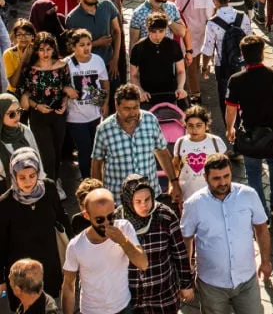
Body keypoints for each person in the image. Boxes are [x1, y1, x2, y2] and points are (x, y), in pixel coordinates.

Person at [180, 153, 272, 314]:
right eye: (216, 178)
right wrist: (186, 271)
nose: (223, 182)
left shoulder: (248, 195)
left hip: (246, 280)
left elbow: (262, 229)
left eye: (226, 176)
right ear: (205, 177)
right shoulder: (193, 204)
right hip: (211, 284)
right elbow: (186, 238)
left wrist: (265, 261)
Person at [225, 35, 273, 219]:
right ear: (262, 53)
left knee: (253, 171)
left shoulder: (236, 79)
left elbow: (230, 109)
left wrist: (229, 128)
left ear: (242, 55)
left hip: (249, 134)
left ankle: (261, 210)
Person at [0, 148, 71, 310]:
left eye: (32, 176)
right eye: (22, 177)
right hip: (21, 274)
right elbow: (0, 245)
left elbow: (62, 218)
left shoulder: (49, 189)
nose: (28, 181)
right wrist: (1, 280)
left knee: (50, 305)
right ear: (13, 176)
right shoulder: (4, 204)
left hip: (49, 266)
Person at [61, 187, 148, 314]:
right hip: (91, 311)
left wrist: (123, 241)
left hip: (123, 307)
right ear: (86, 216)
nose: (107, 223)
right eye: (100, 220)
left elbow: (143, 264)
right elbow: (68, 286)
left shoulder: (124, 228)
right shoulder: (76, 246)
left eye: (111, 216)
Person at [90, 84, 181, 206]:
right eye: (127, 108)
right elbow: (97, 164)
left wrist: (174, 183)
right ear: (117, 106)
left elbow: (163, 153)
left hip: (150, 197)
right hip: (118, 200)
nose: (132, 113)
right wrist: (98, 195)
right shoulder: (104, 129)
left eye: (135, 107)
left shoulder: (151, 120)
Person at [116, 175, 193, 314]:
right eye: (138, 201)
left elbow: (180, 253)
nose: (144, 205)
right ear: (128, 201)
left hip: (163, 295)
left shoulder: (165, 216)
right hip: (130, 297)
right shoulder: (118, 220)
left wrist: (186, 284)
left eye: (147, 199)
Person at [18, 33, 74, 191]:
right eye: (42, 49)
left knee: (57, 150)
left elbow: (67, 87)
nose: (45, 53)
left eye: (49, 49)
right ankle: (51, 184)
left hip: (58, 115)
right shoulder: (30, 69)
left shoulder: (62, 65)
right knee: (46, 152)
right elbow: (23, 93)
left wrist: (65, 102)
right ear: (36, 50)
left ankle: (56, 179)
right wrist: (37, 106)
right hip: (39, 115)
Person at [64, 29, 109, 179]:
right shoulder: (67, 64)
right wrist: (67, 89)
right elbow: (58, 85)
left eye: (88, 44)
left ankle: (98, 178)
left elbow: (104, 82)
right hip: (75, 116)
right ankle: (86, 180)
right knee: (84, 149)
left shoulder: (97, 60)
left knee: (96, 150)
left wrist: (105, 103)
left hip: (95, 113)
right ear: (73, 47)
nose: (86, 48)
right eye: (81, 45)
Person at [172, 0, 214, 99]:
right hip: (200, 27)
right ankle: (194, 89)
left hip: (182, 28)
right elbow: (210, 8)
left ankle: (189, 90)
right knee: (194, 56)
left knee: (184, 59)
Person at [66, 0, 123, 78]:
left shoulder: (107, 5)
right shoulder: (72, 19)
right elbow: (73, 48)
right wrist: (97, 43)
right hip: (88, 70)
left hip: (109, 64)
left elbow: (117, 31)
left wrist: (115, 59)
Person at [129, 12, 187, 108]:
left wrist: (180, 88)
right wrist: (141, 91)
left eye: (161, 31)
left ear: (166, 29)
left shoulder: (173, 45)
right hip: (147, 95)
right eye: (153, 31)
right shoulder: (138, 48)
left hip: (170, 93)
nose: (157, 35)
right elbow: (133, 75)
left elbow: (181, 71)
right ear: (148, 30)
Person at [173, 104, 227, 202]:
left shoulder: (216, 142)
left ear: (206, 125)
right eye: (190, 125)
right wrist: (173, 186)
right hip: (187, 194)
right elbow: (176, 166)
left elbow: (225, 168)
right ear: (185, 125)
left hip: (212, 194)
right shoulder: (180, 142)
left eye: (199, 125)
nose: (194, 130)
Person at [0, 95, 40, 193]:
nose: (17, 116)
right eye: (12, 114)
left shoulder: (25, 131)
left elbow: (37, 159)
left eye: (19, 111)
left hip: (29, 186)